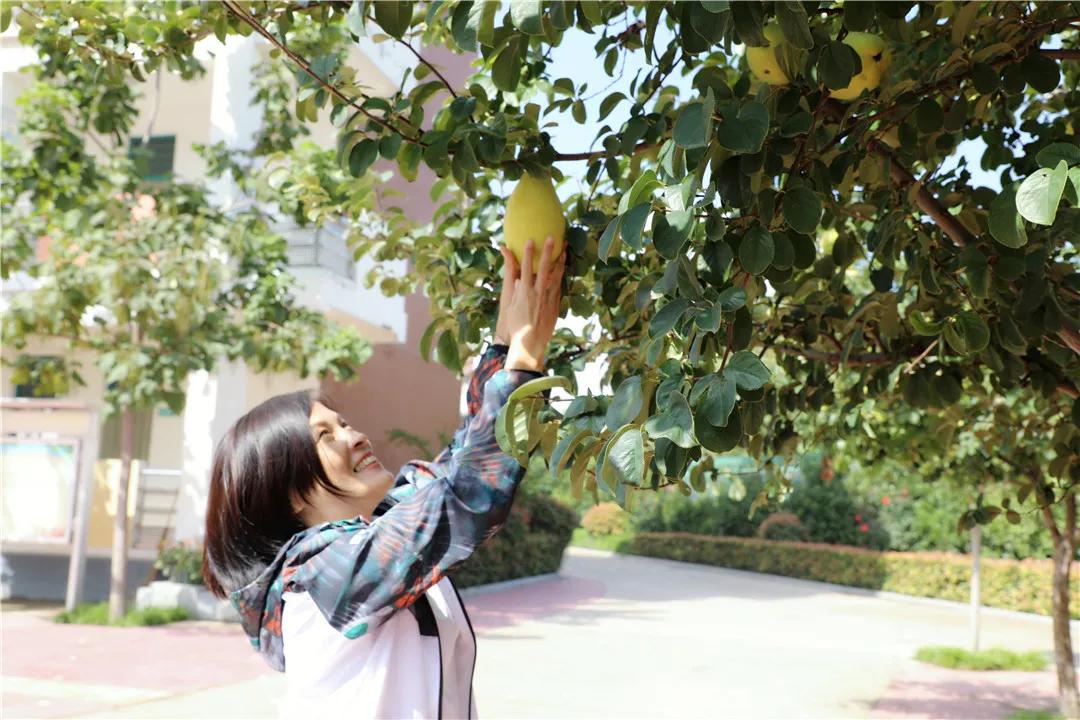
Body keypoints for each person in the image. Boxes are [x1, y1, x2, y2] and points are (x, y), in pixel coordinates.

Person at [202, 237, 566, 719]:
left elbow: (461, 463)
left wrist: (505, 342)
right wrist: (524, 361)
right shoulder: (320, 576)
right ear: (287, 492)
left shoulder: (375, 533)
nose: (355, 436)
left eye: (344, 422)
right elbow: (466, 497)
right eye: (325, 436)